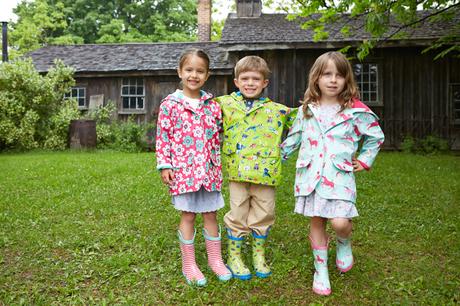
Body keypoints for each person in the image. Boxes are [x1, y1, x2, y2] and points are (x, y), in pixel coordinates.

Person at [280, 51, 384, 295]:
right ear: (316, 78)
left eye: (339, 75)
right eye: (327, 74)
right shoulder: (307, 109)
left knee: (339, 222)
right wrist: (276, 155)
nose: (333, 80)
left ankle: (344, 241)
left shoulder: (355, 110)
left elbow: (375, 136)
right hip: (310, 177)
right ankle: (321, 270)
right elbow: (294, 137)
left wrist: (365, 159)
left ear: (347, 80)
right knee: (317, 220)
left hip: (339, 177)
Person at [216, 56, 297, 280]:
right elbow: (202, 120)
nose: (250, 83)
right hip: (237, 171)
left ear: (265, 83)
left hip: (266, 171)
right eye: (245, 78)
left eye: (256, 79)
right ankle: (235, 257)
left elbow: (304, 123)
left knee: (264, 212)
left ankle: (258, 256)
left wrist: (286, 150)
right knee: (237, 212)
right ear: (236, 81)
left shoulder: (278, 111)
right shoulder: (223, 105)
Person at [155, 49, 231, 286]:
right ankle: (189, 264)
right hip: (184, 171)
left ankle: (215, 260)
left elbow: (221, 133)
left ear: (207, 75)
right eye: (189, 70)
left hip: (208, 171)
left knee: (211, 214)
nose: (194, 75)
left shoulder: (212, 105)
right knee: (188, 215)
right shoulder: (170, 104)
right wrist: (164, 165)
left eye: (200, 71)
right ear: (180, 72)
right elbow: (163, 137)